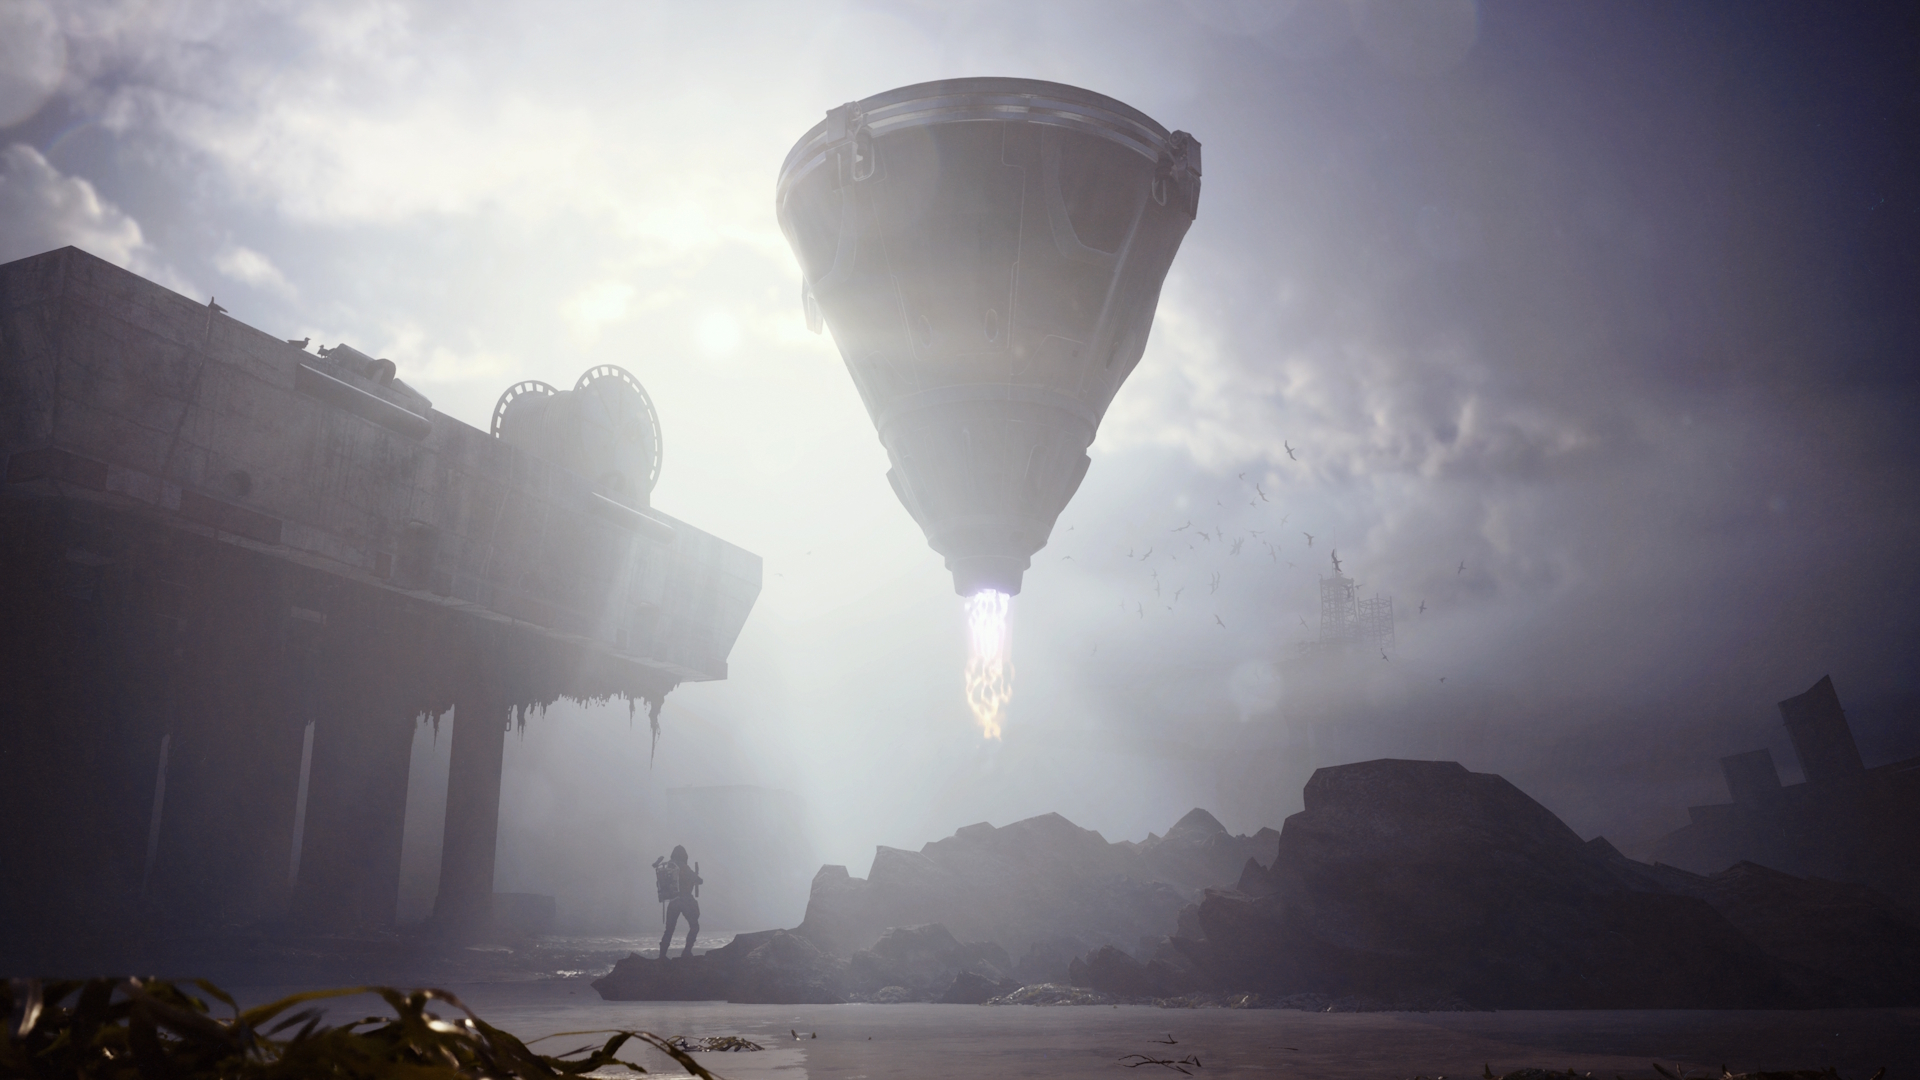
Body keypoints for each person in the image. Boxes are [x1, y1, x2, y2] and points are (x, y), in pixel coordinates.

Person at [657, 845, 702, 959]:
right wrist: (697, 877)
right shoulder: (684, 867)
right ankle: (686, 952)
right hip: (684, 901)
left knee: (669, 930)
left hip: (672, 902)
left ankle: (662, 956)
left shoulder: (669, 867)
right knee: (694, 926)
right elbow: (699, 881)